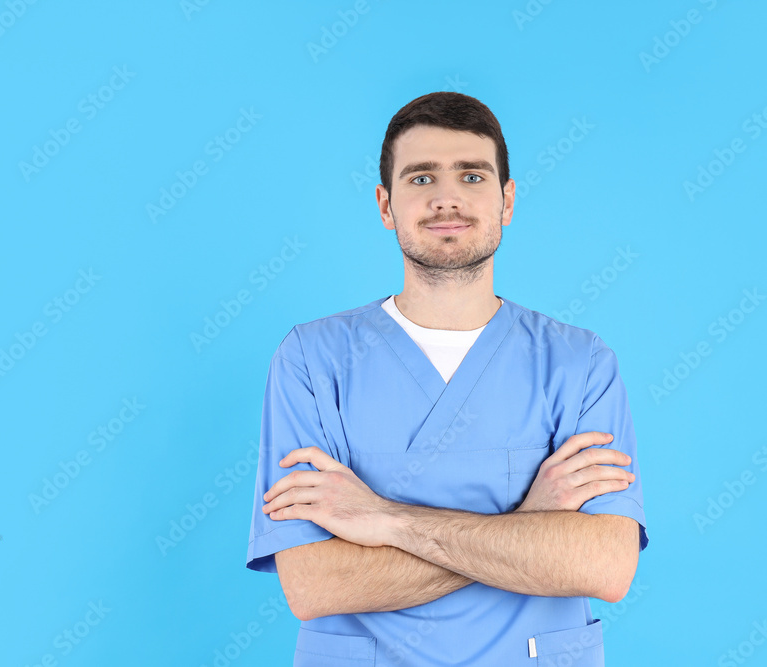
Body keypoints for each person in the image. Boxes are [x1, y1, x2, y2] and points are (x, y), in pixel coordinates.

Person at [246, 91, 648, 667]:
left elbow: (603, 566)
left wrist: (383, 520)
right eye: (420, 178)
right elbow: (315, 585)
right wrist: (529, 528)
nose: (447, 198)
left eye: (472, 175)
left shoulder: (580, 363)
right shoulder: (312, 361)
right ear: (385, 206)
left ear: (507, 201)